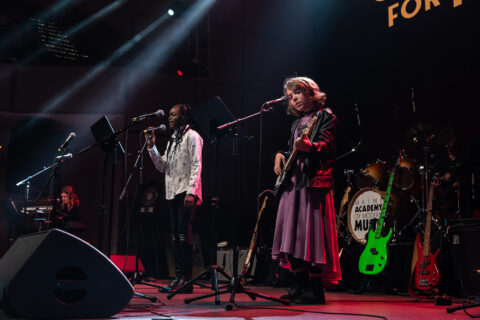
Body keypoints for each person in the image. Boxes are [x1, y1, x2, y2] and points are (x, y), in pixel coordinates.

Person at [272, 76, 341, 304]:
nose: (294, 100)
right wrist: (280, 155)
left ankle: (314, 288)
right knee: (293, 234)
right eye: (290, 98)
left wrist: (310, 147)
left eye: (297, 94)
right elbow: (291, 149)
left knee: (311, 235)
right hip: (293, 183)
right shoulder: (296, 123)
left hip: (312, 184)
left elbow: (327, 146)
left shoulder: (325, 116)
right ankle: (298, 285)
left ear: (310, 91)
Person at [145, 104, 203, 292]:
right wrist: (152, 148)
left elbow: (197, 164)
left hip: (186, 190)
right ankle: (178, 276)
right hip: (172, 191)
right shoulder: (173, 141)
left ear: (183, 117)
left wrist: (192, 192)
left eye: (172, 115)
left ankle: (186, 279)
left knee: (183, 233)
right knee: (176, 236)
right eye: (169, 115)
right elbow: (163, 167)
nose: (169, 118)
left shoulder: (192, 136)